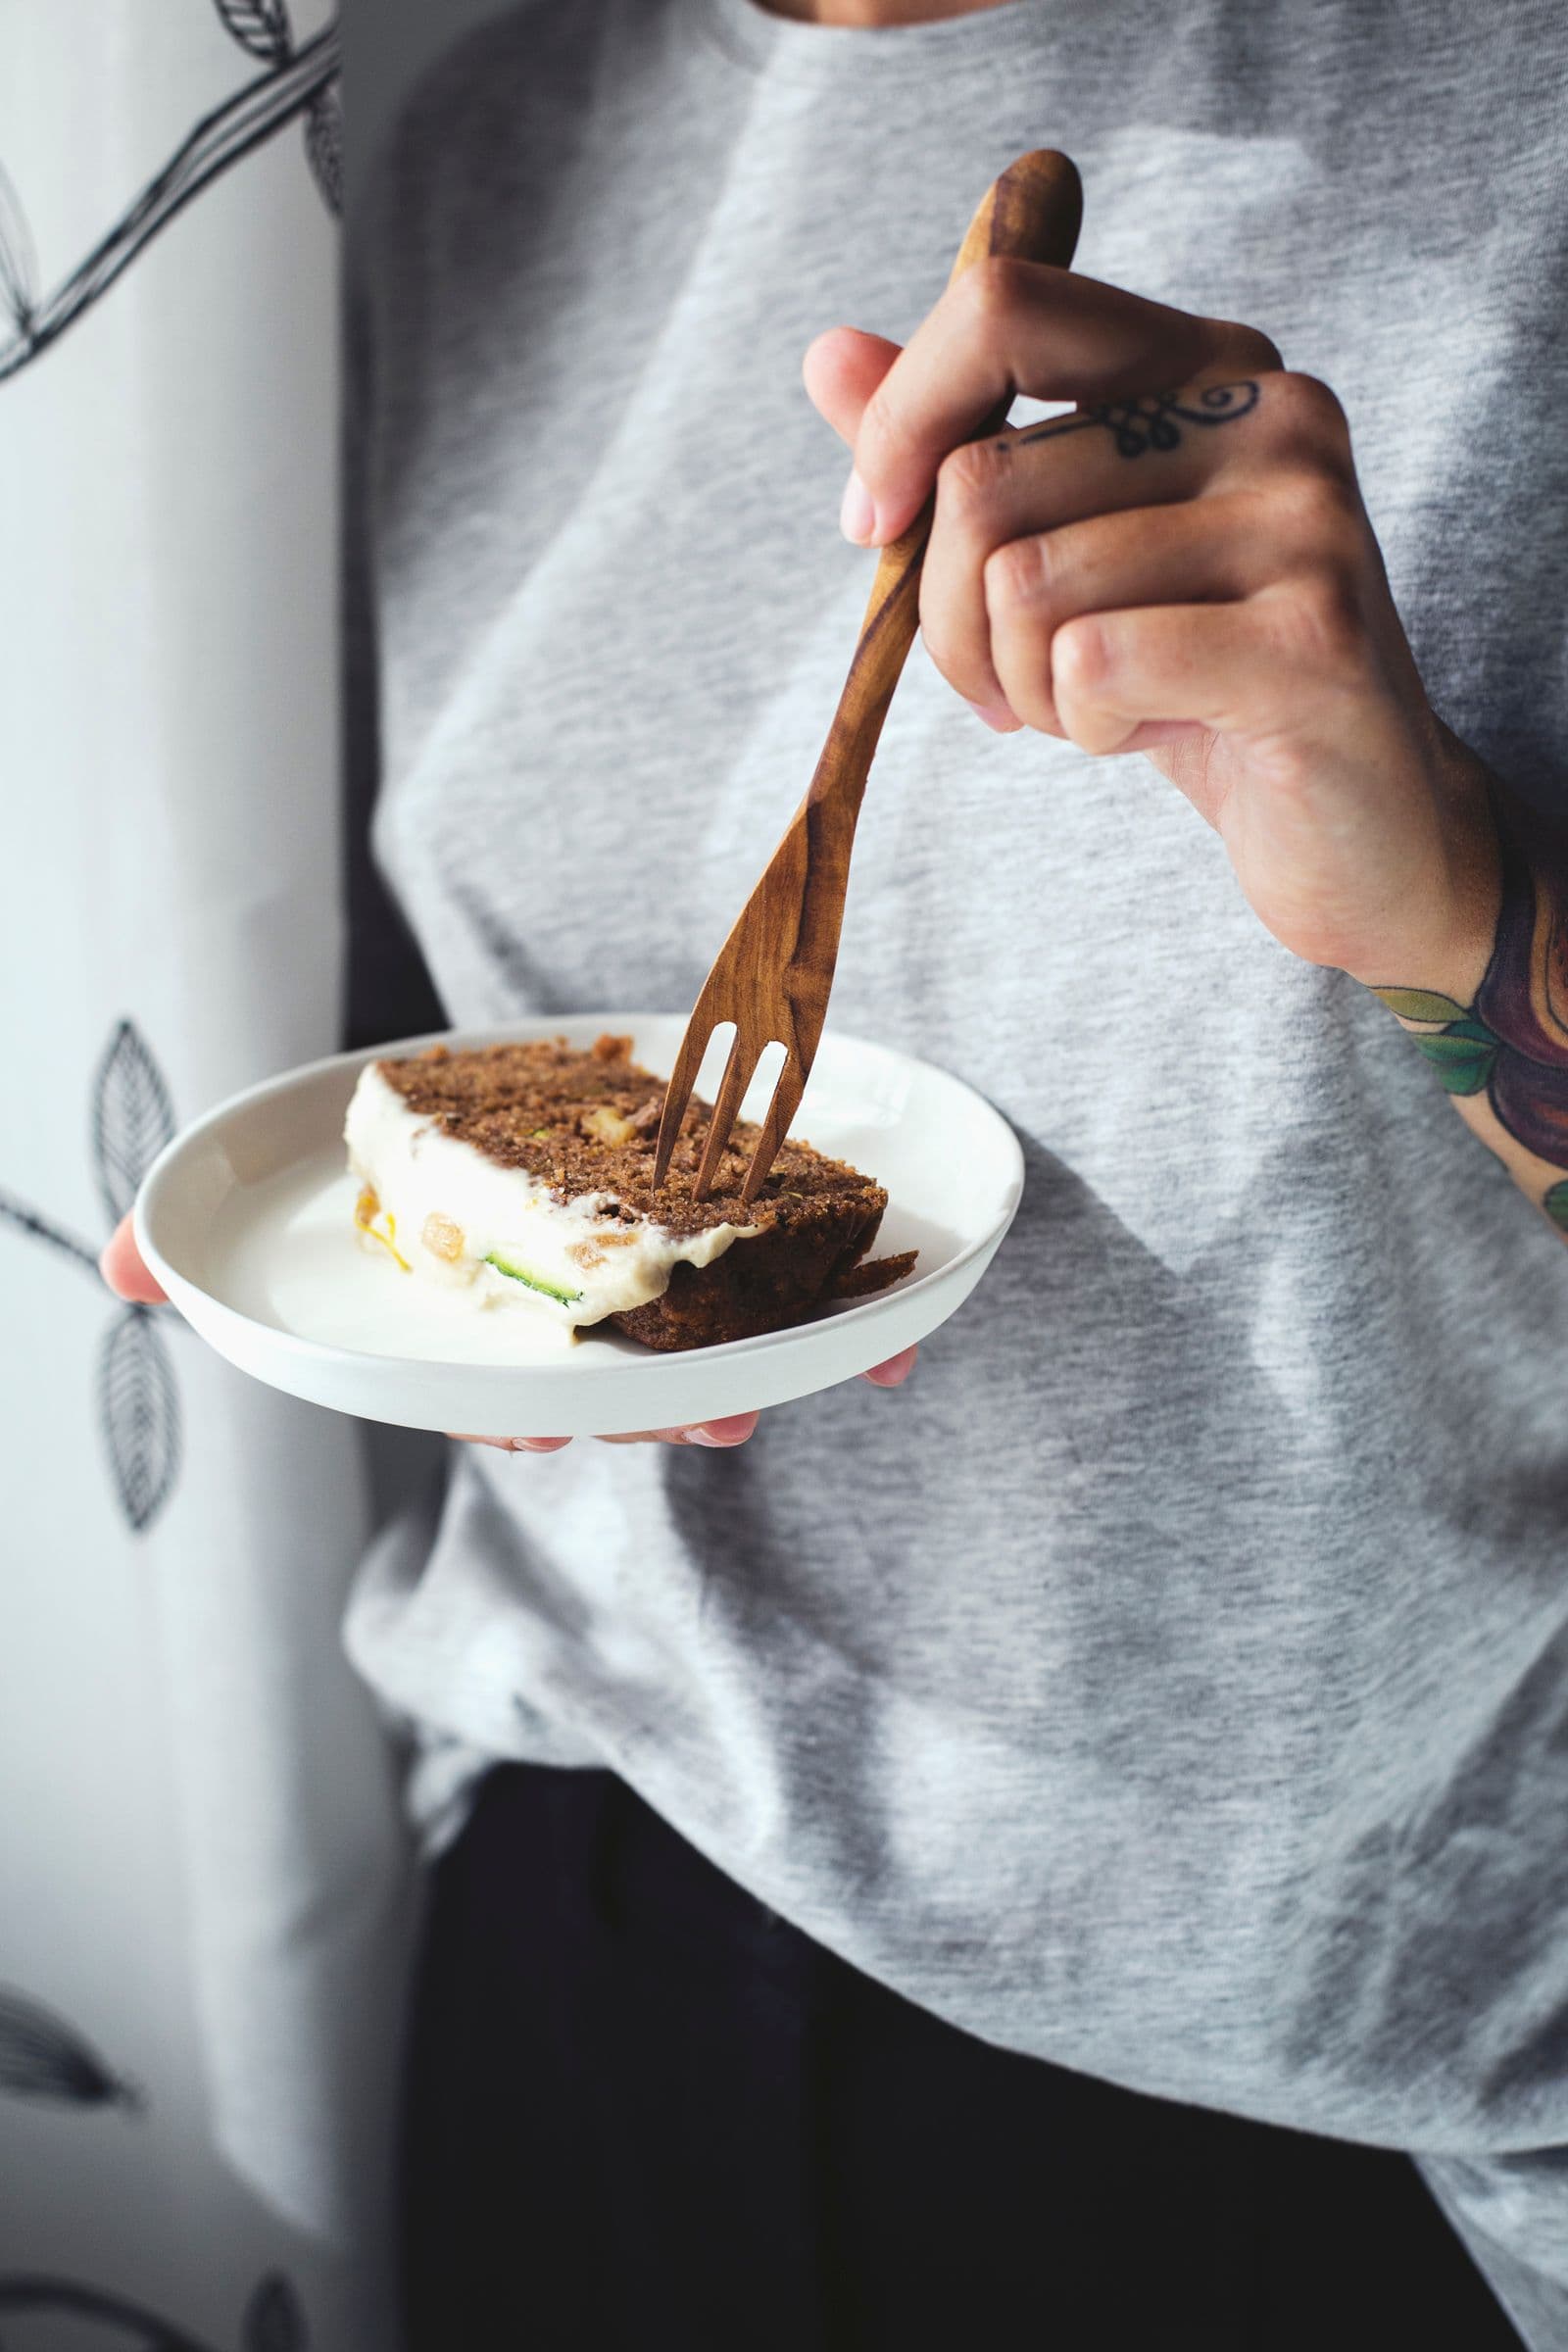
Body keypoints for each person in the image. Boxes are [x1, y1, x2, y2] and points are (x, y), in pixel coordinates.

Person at [106, 0, 1568, 2340]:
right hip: (593, 1951)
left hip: (1334, 2103)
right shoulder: (412, 146)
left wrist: (1457, 910)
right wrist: (432, 1293)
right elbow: (411, 1006)